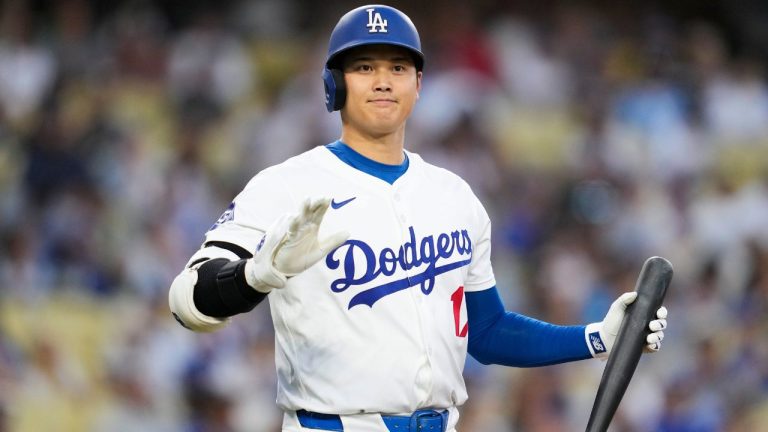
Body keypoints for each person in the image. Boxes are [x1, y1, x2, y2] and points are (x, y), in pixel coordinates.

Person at [168, 5, 668, 432]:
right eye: (363, 67)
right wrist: (253, 277)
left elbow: (487, 332)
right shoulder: (286, 185)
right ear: (333, 84)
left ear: (418, 83)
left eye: (398, 67)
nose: (383, 80)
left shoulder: (455, 196)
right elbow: (187, 301)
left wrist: (598, 338)